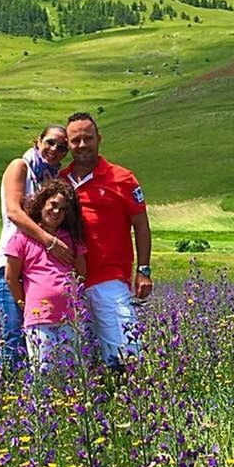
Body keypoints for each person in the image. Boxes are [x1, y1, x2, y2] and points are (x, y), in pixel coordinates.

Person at [60, 112, 152, 370]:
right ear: (67, 144)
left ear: (99, 139)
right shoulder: (60, 181)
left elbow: (142, 227)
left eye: (87, 138)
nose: (82, 145)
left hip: (109, 279)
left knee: (126, 352)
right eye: (75, 140)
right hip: (69, 283)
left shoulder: (122, 178)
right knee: (80, 358)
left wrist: (143, 270)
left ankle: (130, 405)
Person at [0, 125, 74, 371]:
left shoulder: (53, 180)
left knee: (37, 333)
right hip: (14, 264)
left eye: (62, 147)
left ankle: (30, 396)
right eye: (50, 142)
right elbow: (15, 212)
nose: (55, 150)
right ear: (38, 141)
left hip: (40, 269)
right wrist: (50, 242)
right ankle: (2, 393)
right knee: (15, 332)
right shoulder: (21, 167)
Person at [3, 180, 87, 374]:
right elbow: (11, 277)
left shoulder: (72, 239)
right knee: (44, 371)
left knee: (72, 372)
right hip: (39, 317)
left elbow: (82, 274)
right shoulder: (21, 238)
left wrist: (74, 299)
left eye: (63, 209)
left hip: (70, 316)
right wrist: (22, 303)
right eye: (53, 205)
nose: (57, 212)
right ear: (42, 204)